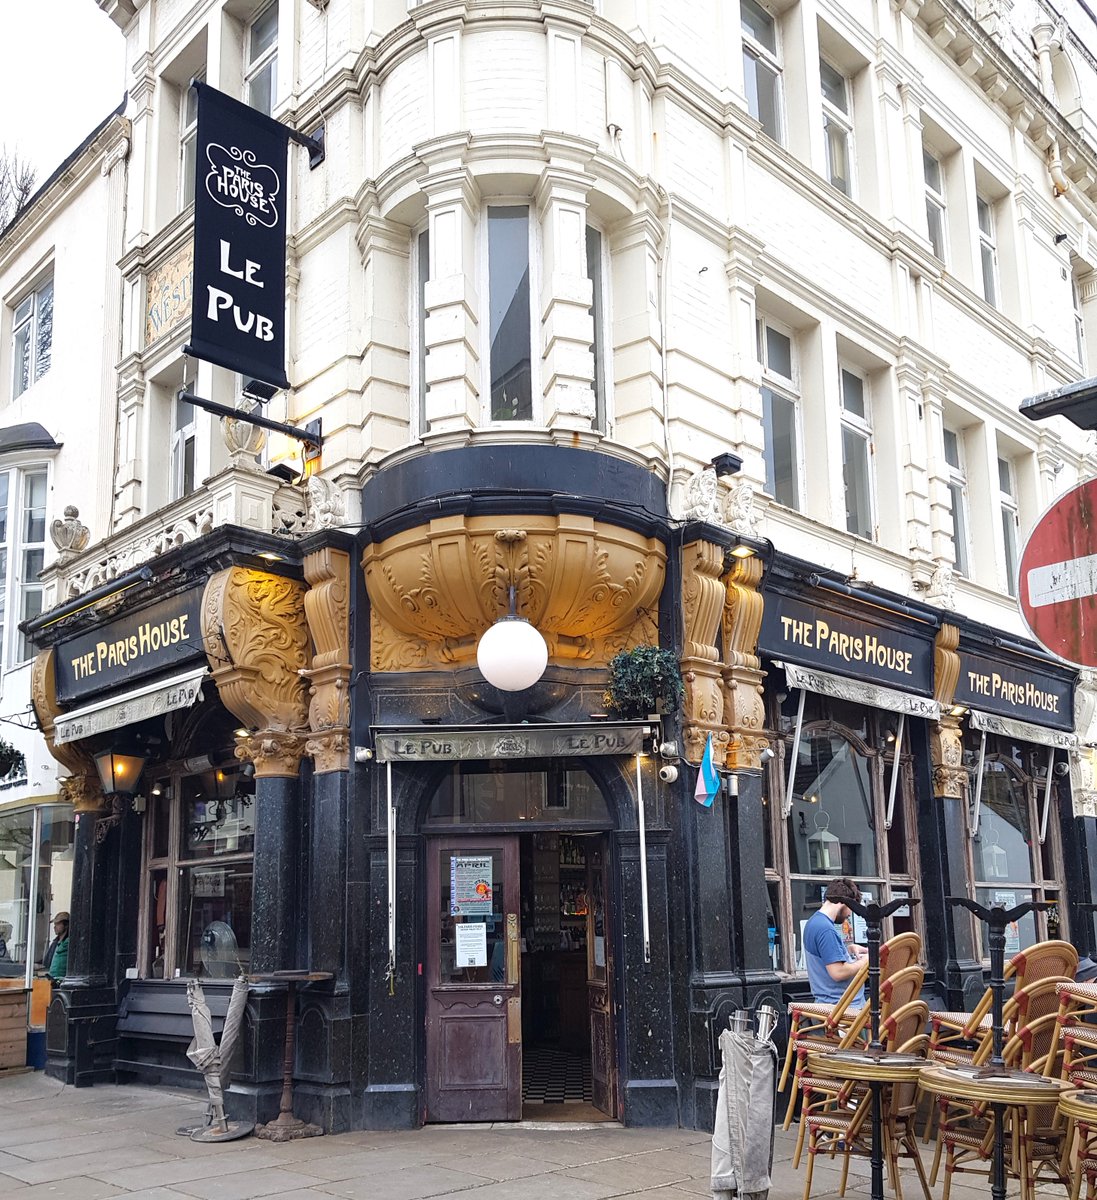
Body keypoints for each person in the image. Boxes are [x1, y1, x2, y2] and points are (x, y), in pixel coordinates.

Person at [803, 877, 868, 1006]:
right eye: (852, 907)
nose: (850, 914)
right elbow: (838, 972)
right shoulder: (825, 929)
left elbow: (824, 956)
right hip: (843, 1010)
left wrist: (849, 949)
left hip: (834, 1005)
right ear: (845, 902)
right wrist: (865, 962)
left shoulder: (814, 922)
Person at [43, 912, 69, 982]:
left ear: (66, 925)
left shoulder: (69, 942)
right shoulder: (55, 942)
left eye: (58, 924)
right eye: (54, 924)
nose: (55, 927)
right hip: (52, 980)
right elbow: (47, 962)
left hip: (62, 981)